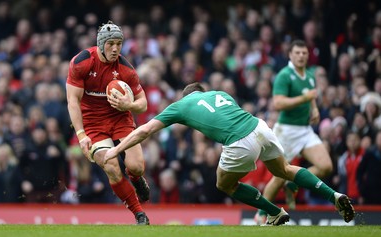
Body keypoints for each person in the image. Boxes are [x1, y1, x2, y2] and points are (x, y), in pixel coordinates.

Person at [104, 82, 355, 225]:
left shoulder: (181, 105)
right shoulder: (219, 94)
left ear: (186, 96)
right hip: (260, 127)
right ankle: (333, 195)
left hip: (238, 141)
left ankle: (273, 211)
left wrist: (116, 149)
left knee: (224, 183)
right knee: (285, 170)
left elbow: (144, 131)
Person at [66, 20, 150, 225]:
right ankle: (139, 214)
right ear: (101, 43)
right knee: (111, 166)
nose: (115, 49)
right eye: (110, 44)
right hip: (93, 124)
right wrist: (81, 135)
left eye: (119, 44)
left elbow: (143, 104)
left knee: (137, 167)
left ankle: (137, 179)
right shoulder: (81, 62)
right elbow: (72, 101)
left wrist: (129, 104)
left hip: (120, 119)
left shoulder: (126, 68)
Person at [255, 39, 334, 223]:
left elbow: (311, 95)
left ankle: (294, 182)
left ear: (308, 55)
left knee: (326, 167)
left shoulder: (310, 75)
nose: (301, 56)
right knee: (278, 177)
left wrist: (313, 108)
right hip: (286, 132)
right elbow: (278, 103)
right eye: (297, 53)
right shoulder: (284, 75)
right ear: (290, 55)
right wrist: (303, 98)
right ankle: (260, 215)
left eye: (304, 53)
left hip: (305, 130)